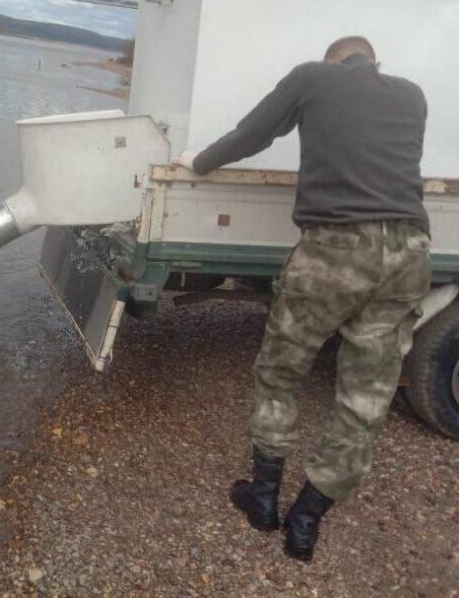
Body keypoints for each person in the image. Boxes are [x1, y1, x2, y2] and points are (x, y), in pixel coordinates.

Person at [176, 36, 431, 562]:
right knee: (364, 397)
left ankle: (264, 498)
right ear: (374, 62)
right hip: (408, 254)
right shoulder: (412, 95)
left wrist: (198, 163)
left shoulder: (312, 77)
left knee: (281, 371)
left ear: (331, 61)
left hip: (335, 249)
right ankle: (307, 519)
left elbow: (252, 134)